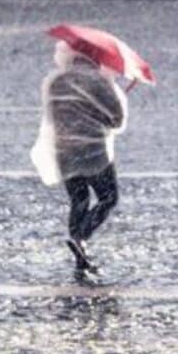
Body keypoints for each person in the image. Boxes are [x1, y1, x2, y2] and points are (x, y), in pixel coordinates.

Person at [31, 41, 128, 272]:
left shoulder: (56, 82)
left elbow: (54, 116)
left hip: (64, 150)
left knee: (79, 198)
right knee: (108, 197)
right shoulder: (101, 82)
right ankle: (81, 237)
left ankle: (77, 243)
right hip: (94, 151)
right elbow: (116, 120)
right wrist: (113, 92)